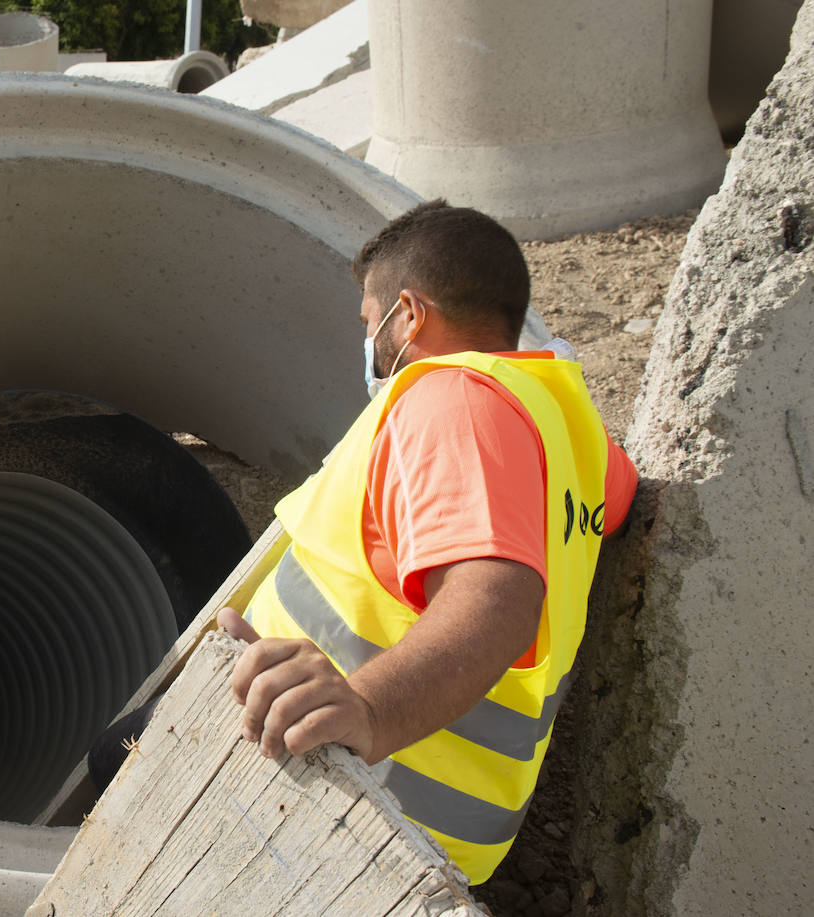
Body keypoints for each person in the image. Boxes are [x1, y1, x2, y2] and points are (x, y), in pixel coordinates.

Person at [214, 199, 638, 884]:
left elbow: (497, 598)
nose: (368, 344)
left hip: (335, 801)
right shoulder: (570, 429)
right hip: (436, 838)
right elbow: (614, 503)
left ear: (408, 315)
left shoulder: (452, 401)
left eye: (369, 320)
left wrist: (369, 706)